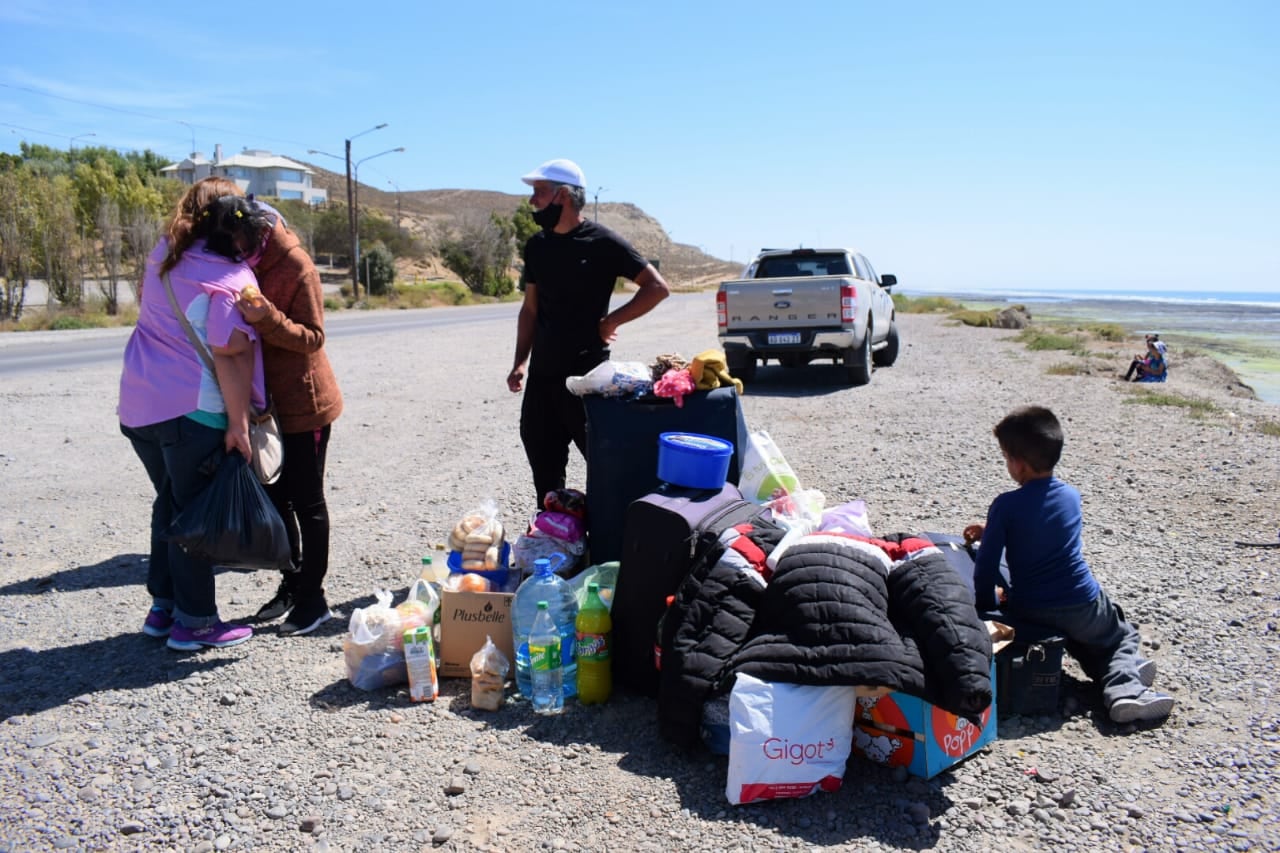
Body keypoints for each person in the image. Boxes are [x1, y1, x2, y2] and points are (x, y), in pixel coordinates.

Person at [119, 188, 272, 651]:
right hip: (194, 410)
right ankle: (197, 623)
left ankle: (163, 609)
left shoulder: (164, 253)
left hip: (140, 405)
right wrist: (239, 425)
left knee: (169, 504)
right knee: (193, 515)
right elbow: (230, 352)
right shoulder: (232, 278)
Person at [963, 406, 1174, 724]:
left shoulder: (1005, 506)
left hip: (1030, 609)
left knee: (1091, 641)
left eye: (1005, 457)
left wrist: (987, 610)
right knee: (1119, 634)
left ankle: (1121, 679)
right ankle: (1122, 682)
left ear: (1018, 464)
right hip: (1081, 602)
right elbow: (1044, 530)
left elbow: (986, 568)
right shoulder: (1071, 497)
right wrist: (992, 528)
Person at [507, 159, 670, 507]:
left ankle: (612, 539)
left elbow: (656, 288)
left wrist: (612, 321)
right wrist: (520, 361)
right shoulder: (537, 246)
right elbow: (530, 309)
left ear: (563, 195)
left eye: (539, 192)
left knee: (606, 465)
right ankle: (557, 539)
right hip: (543, 377)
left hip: (586, 378)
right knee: (544, 465)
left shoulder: (603, 242)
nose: (533, 201)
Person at [235, 201, 344, 636]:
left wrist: (269, 319)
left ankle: (314, 600)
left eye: (239, 242)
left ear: (259, 233)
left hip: (304, 405)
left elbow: (314, 337)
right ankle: (292, 583)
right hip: (266, 407)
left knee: (307, 500)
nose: (233, 250)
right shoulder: (244, 264)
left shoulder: (297, 266)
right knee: (277, 500)